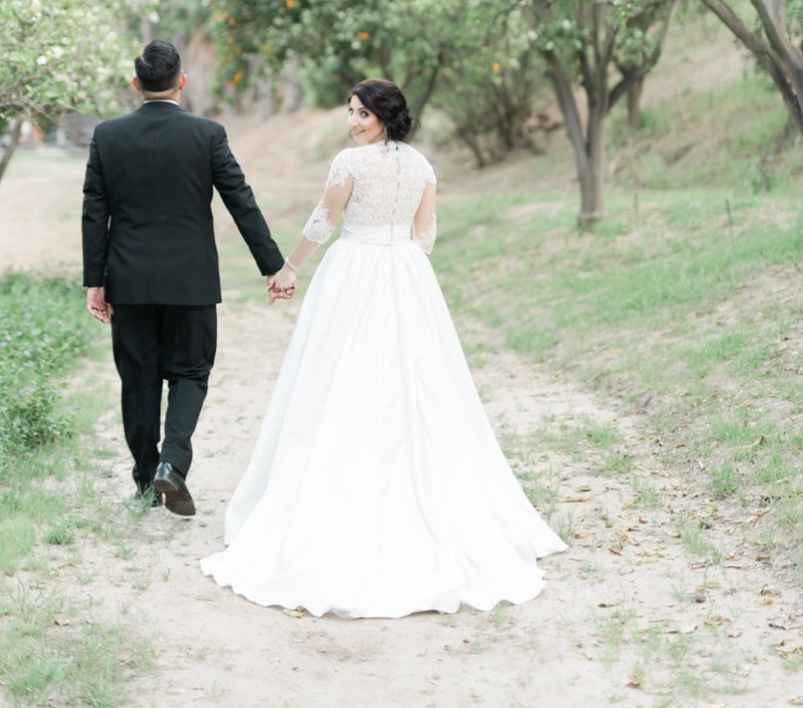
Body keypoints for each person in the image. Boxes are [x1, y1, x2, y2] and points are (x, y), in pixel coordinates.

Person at [200, 79, 566, 617]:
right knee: (406, 375)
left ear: (384, 117)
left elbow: (324, 221)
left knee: (344, 377)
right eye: (351, 113)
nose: (353, 123)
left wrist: (289, 267)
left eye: (363, 115)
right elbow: (426, 237)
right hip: (406, 272)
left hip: (355, 271)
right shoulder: (422, 166)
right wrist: (399, 263)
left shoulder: (349, 163)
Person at [82, 39, 297, 517]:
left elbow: (94, 213)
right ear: (182, 80)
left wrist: (94, 280)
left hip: (129, 281)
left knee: (137, 380)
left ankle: (144, 479)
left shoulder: (107, 135)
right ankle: (171, 464)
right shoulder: (208, 134)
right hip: (191, 280)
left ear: (136, 84)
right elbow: (240, 200)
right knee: (191, 373)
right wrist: (273, 265)